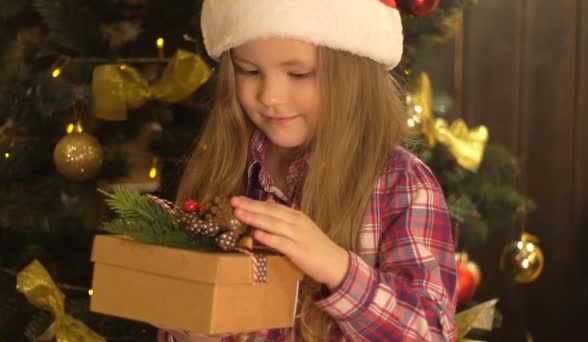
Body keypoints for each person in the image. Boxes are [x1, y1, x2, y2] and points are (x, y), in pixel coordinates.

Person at [160, 0, 456, 341]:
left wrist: (337, 268)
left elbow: (432, 332)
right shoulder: (222, 172)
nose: (270, 96)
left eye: (299, 73)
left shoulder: (401, 184)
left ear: (352, 73)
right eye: (249, 71)